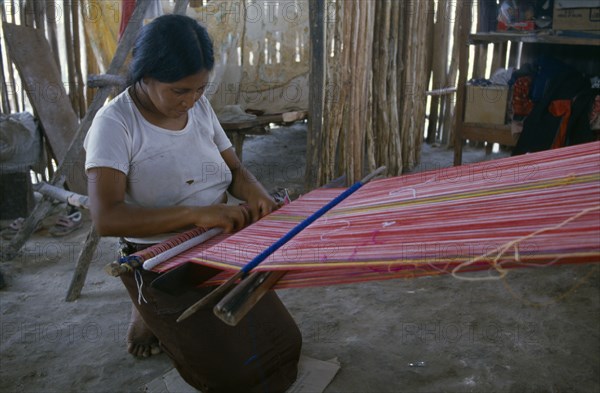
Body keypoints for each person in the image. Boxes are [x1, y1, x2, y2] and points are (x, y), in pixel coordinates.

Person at [84, 14, 301, 392]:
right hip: (162, 260)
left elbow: (235, 170)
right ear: (145, 76)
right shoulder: (114, 124)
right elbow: (106, 218)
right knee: (235, 376)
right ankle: (146, 306)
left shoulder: (198, 108)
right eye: (179, 91)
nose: (191, 100)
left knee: (284, 347)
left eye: (200, 89)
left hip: (220, 241)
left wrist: (260, 199)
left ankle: (151, 314)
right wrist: (199, 213)